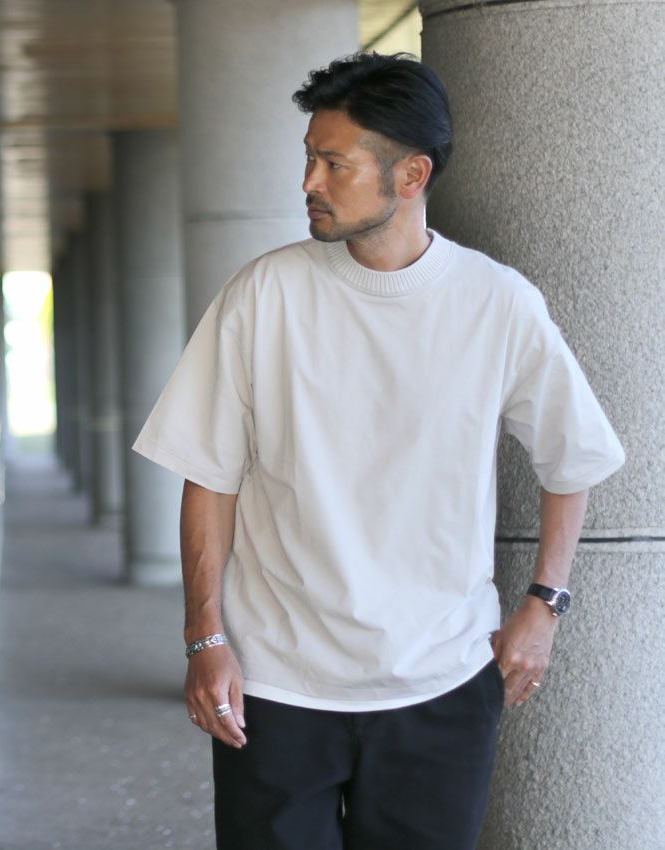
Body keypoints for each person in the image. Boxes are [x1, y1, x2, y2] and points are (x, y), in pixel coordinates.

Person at [131, 52, 626, 850]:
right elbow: (208, 477)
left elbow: (573, 457)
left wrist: (545, 603)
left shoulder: (497, 303)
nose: (309, 182)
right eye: (309, 158)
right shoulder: (263, 295)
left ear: (411, 175)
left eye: (334, 164)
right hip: (277, 687)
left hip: (441, 684)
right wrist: (205, 638)